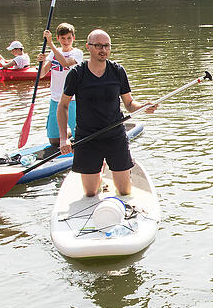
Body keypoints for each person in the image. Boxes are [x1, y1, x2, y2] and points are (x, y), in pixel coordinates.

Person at [57, 29, 155, 198]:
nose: (103, 50)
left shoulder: (117, 71)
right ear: (88, 47)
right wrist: (63, 138)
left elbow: (129, 104)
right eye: (98, 46)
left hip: (114, 135)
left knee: (124, 191)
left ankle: (106, 170)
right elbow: (63, 106)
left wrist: (143, 107)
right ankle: (98, 171)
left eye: (106, 46)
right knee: (90, 192)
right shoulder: (77, 73)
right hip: (87, 137)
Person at [38, 23, 84, 148]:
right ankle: (67, 134)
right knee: (53, 140)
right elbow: (41, 74)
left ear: (73, 38)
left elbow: (64, 63)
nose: (66, 41)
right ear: (58, 38)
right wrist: (41, 62)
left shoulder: (77, 53)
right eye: (63, 38)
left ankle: (78, 133)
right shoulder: (53, 53)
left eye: (69, 38)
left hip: (72, 99)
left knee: (80, 136)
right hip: (55, 99)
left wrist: (50, 44)